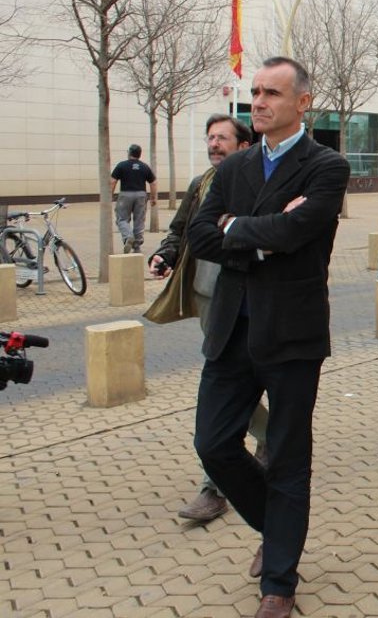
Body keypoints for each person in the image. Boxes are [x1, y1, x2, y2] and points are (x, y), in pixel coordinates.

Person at [189, 57, 350, 618]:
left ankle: (279, 582)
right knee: (213, 444)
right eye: (255, 91)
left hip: (292, 334)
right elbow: (200, 235)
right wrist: (261, 237)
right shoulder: (235, 166)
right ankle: (279, 530)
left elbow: (299, 230)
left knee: (286, 458)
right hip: (231, 330)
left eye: (271, 93)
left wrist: (237, 227)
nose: (258, 101)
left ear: (302, 102)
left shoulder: (326, 166)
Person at [145, 113, 268, 523]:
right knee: (226, 383)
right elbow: (180, 230)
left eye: (222, 138)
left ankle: (219, 484)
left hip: (246, 299)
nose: (214, 144)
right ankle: (268, 440)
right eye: (210, 138)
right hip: (207, 295)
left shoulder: (256, 185)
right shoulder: (202, 183)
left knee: (231, 386)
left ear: (244, 146)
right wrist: (165, 253)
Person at [110, 143, 157, 253]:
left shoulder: (121, 165)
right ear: (139, 154)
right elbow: (153, 182)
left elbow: (112, 181)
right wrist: (153, 198)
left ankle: (128, 236)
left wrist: (109, 195)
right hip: (141, 195)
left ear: (129, 153)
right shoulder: (145, 167)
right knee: (139, 220)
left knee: (122, 219)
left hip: (125, 195)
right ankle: (137, 245)